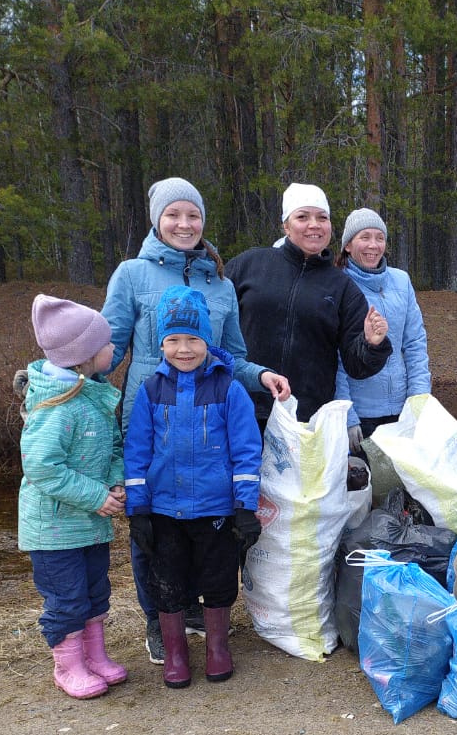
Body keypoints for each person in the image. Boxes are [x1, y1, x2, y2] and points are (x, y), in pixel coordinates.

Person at [101, 177, 289, 664]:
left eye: (193, 215)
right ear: (155, 219)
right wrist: (64, 381)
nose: (184, 224)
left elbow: (233, 357)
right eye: (173, 215)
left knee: (205, 525)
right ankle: (158, 618)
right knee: (155, 524)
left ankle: (194, 615)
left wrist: (263, 374)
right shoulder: (132, 275)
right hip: (150, 416)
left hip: (206, 423)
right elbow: (107, 349)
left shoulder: (220, 283)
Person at [123, 286, 264, 689]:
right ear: (161, 343)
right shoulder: (151, 391)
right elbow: (136, 453)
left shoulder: (228, 390)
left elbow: (246, 450)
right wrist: (139, 509)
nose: (183, 350)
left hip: (216, 510)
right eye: (173, 340)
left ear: (207, 341)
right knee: (167, 581)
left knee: (219, 579)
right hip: (165, 512)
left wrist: (244, 506)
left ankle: (218, 648)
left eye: (193, 340)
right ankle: (176, 652)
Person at [18, 295, 128, 700]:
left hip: (89, 523)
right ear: (84, 355)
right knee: (66, 599)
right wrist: (97, 496)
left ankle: (94, 656)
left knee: (96, 592)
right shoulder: (56, 408)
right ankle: (69, 666)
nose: (114, 348)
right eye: (107, 344)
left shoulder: (93, 395)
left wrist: (115, 483)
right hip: (54, 528)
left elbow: (115, 447)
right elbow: (42, 467)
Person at [224, 182, 393, 430]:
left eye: (322, 218)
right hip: (242, 410)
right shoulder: (248, 266)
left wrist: (372, 343)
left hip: (305, 420)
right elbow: (215, 326)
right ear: (286, 225)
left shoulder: (342, 287)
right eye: (303, 217)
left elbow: (357, 366)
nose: (314, 225)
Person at [334, 208, 431, 448]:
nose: (373, 245)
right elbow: (333, 357)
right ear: (348, 245)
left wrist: (418, 400)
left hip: (402, 411)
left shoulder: (401, 280)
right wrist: (346, 414)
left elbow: (415, 343)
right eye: (364, 237)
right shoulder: (338, 285)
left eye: (379, 238)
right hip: (361, 412)